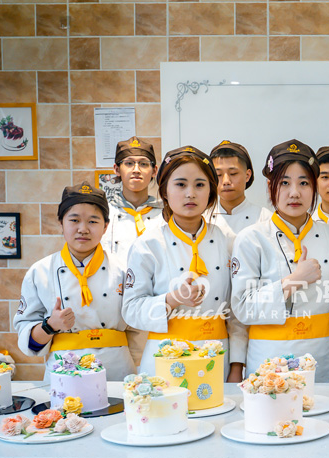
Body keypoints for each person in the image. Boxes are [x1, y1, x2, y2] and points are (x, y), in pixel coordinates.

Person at [231, 140, 329, 382]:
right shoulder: (251, 238)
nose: (294, 193)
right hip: (269, 357)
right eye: (284, 183)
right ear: (270, 187)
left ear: (314, 187)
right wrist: (292, 282)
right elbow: (242, 307)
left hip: (324, 357)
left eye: (304, 183)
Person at [121, 146, 246, 381]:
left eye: (200, 185)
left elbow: (237, 312)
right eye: (180, 184)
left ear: (211, 192)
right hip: (164, 357)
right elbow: (131, 310)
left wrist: (237, 365)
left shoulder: (228, 240)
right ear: (165, 191)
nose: (190, 194)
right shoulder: (148, 244)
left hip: (217, 354)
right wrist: (172, 299)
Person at [14, 182, 136, 380]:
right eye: (74, 220)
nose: (83, 229)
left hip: (116, 369)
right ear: (61, 223)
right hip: (62, 370)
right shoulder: (40, 271)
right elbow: (27, 337)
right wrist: (50, 325)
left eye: (93, 221)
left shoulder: (124, 270)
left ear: (105, 226)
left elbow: (138, 330)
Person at [102, 136, 162, 263]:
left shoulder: (165, 215)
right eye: (129, 163)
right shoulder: (104, 213)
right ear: (117, 169)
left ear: (154, 171)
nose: (136, 170)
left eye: (143, 164)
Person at [206, 140, 272, 237]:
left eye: (233, 173)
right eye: (218, 174)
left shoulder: (266, 219)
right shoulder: (202, 219)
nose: (226, 181)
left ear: (247, 175)